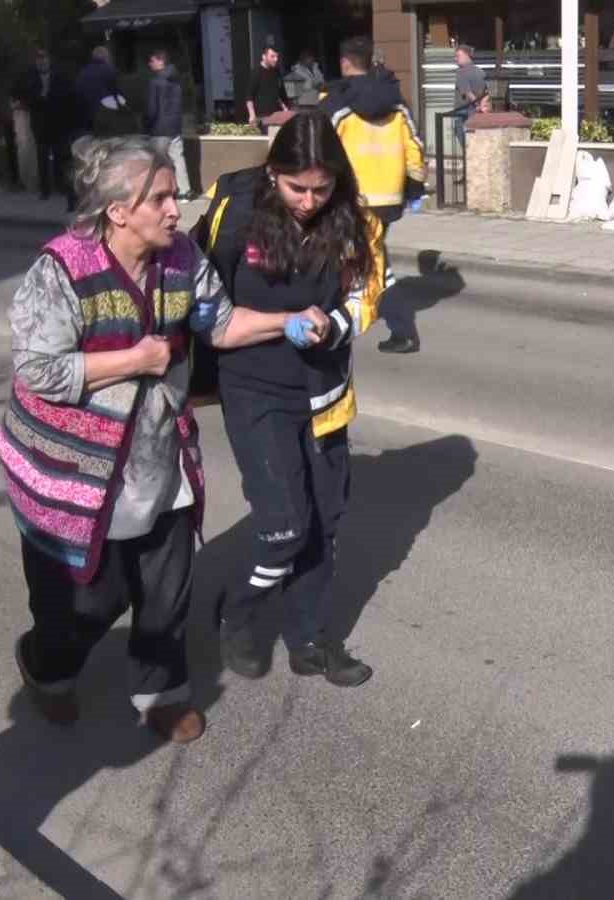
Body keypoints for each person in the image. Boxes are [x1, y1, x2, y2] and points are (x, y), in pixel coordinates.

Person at [0, 135, 297, 743]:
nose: (175, 210)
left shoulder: (182, 259)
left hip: (158, 455)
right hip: (71, 472)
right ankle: (46, 666)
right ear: (117, 212)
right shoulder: (60, 270)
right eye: (159, 198)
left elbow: (219, 321)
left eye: (173, 196)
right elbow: (38, 371)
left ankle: (161, 691)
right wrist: (134, 359)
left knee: (167, 590)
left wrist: (289, 322)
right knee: (83, 608)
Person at [193, 113, 384, 687]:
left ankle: (309, 637)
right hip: (251, 386)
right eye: (296, 187)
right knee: (283, 525)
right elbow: (202, 295)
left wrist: (337, 324)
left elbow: (369, 292)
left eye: (321, 188)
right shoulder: (237, 210)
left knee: (323, 523)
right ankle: (239, 610)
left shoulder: (356, 221)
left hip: (323, 391)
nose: (308, 200)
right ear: (273, 173)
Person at [320, 35, 425, 353]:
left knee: (372, 263)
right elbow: (414, 145)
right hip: (389, 197)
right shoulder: (396, 100)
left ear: (344, 63)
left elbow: (321, 148)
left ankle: (387, 326)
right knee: (365, 257)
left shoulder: (336, 104)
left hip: (355, 199)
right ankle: (360, 312)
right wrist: (414, 186)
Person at [15, 49, 81, 210]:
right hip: (40, 123)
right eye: (39, 60)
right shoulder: (31, 77)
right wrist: (39, 97)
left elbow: (68, 96)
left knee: (60, 157)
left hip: (57, 122)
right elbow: (26, 96)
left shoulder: (59, 75)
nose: (42, 62)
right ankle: (45, 189)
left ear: (49, 61)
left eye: (44, 59)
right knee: (42, 156)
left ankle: (60, 186)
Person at [145, 49, 192, 200]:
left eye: (152, 61)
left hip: (159, 128)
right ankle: (185, 191)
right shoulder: (176, 80)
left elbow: (152, 108)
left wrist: (148, 125)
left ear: (160, 61)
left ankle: (161, 192)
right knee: (178, 159)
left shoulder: (155, 82)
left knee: (157, 163)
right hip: (175, 126)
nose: (149, 64)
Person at [75, 45, 118, 134]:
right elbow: (116, 91)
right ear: (106, 58)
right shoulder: (109, 70)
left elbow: (77, 91)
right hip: (103, 113)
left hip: (85, 113)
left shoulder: (83, 71)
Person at [246, 39, 287, 130]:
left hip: (276, 115)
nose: (275, 59)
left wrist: (285, 108)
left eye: (277, 56)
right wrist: (252, 115)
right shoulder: (257, 72)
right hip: (262, 117)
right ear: (264, 56)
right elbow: (249, 97)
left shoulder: (276, 71)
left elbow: (279, 94)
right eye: (272, 56)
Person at [452, 44, 488, 145]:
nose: (455, 59)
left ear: (467, 55)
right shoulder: (481, 72)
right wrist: (482, 105)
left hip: (463, 112)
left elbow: (467, 92)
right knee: (476, 143)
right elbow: (486, 92)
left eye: (458, 56)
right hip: (478, 113)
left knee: (466, 145)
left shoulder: (460, 72)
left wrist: (477, 105)